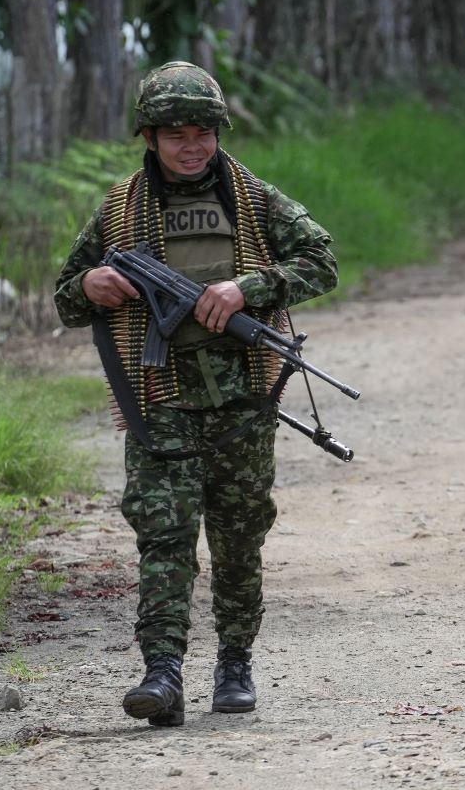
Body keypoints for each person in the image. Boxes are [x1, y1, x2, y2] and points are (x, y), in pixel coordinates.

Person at [54, 61, 338, 725]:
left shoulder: (254, 200)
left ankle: (235, 661)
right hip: (158, 399)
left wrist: (248, 289)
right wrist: (91, 285)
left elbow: (320, 259)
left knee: (239, 536)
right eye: (176, 133)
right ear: (149, 137)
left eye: (203, 131)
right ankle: (163, 671)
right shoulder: (118, 209)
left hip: (243, 398)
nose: (192, 145)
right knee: (165, 536)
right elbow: (68, 298)